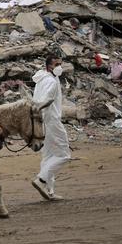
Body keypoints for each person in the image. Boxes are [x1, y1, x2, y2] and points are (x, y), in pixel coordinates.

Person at [31, 54, 71, 201]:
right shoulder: (51, 82)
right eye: (56, 64)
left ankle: (50, 191)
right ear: (49, 66)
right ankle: (41, 180)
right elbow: (47, 100)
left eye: (60, 64)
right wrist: (41, 111)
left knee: (48, 155)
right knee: (64, 155)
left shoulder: (41, 79)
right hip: (52, 121)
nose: (59, 67)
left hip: (42, 122)